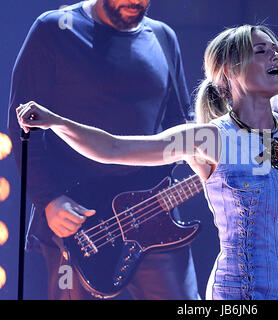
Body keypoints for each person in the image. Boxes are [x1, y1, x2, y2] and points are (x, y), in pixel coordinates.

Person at [16, 24, 278, 300]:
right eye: (260, 51)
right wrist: (57, 122)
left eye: (275, 50)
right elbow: (113, 148)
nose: (275, 57)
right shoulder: (207, 138)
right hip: (238, 297)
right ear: (230, 72)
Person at [8, 0, 199, 300]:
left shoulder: (163, 37)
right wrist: (48, 198)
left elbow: (180, 123)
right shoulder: (54, 29)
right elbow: (23, 125)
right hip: (78, 220)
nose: (137, 2)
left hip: (153, 212)